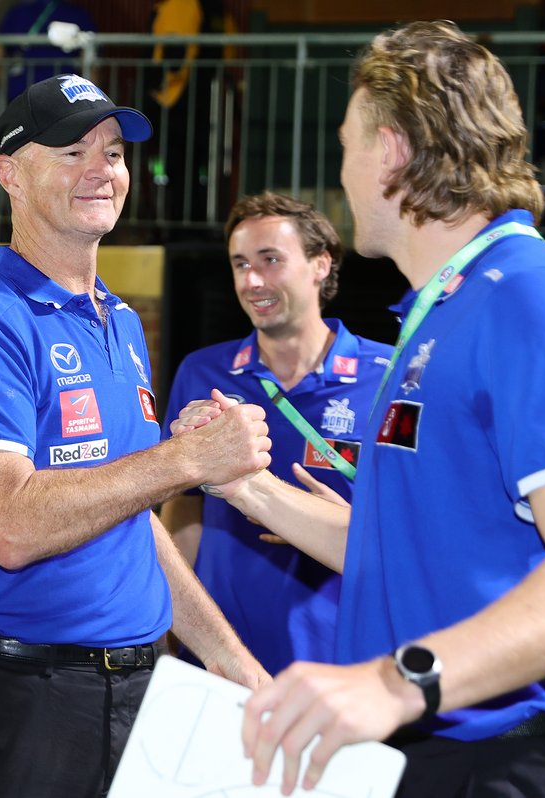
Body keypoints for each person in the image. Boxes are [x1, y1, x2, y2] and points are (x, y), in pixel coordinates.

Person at [171, 21, 545, 798]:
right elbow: (408, 549)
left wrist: (396, 683)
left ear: (391, 151)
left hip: (504, 761)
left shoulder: (528, 296)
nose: (343, 174)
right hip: (429, 751)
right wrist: (240, 484)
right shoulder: (437, 312)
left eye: (346, 147)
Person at [0, 73, 271, 798]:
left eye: (112, 152)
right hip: (22, 703)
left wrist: (233, 663)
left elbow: (128, 520)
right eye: (72, 151)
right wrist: (180, 460)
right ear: (9, 175)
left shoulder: (122, 322)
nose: (102, 170)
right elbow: (11, 525)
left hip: (140, 695)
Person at [160, 191, 393, 675]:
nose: (252, 280)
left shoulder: (389, 377)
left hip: (345, 666)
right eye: (240, 264)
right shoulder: (204, 373)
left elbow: (417, 523)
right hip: (221, 662)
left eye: (270, 260)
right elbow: (182, 505)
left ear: (321, 265)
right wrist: (168, 630)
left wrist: (341, 524)